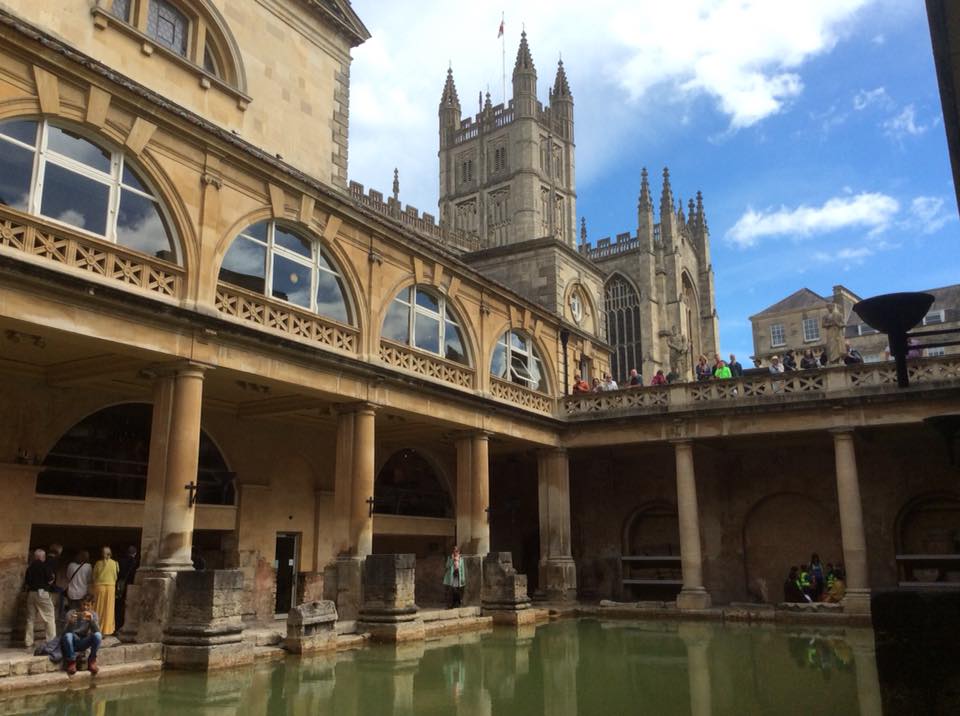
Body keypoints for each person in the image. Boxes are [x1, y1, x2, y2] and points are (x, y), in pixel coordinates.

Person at [23, 548, 57, 649]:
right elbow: (50, 579)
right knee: (49, 617)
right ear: (42, 557)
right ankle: (51, 642)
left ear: (35, 557)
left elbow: (27, 582)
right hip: (42, 593)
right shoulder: (45, 566)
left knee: (30, 619)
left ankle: (28, 642)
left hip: (31, 593)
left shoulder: (30, 568)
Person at [61, 594, 102, 676]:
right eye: (84, 604)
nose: (85, 607)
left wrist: (91, 621)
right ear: (80, 603)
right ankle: (72, 662)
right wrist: (71, 623)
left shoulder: (93, 615)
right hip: (72, 641)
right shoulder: (71, 613)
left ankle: (92, 660)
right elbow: (64, 634)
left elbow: (97, 632)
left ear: (92, 606)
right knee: (68, 636)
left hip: (84, 641)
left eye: (88, 605)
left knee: (98, 635)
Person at [91, 546, 119, 636]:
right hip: (111, 587)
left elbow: (94, 576)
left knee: (98, 607)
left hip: (99, 587)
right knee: (108, 609)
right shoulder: (115, 563)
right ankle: (107, 630)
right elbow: (116, 576)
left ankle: (96, 628)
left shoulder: (98, 563)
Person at [116, 546, 138, 631]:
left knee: (118, 605)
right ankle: (122, 624)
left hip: (120, 584)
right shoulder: (133, 562)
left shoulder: (120, 560)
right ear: (135, 553)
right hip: (128, 585)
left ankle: (117, 624)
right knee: (126, 606)